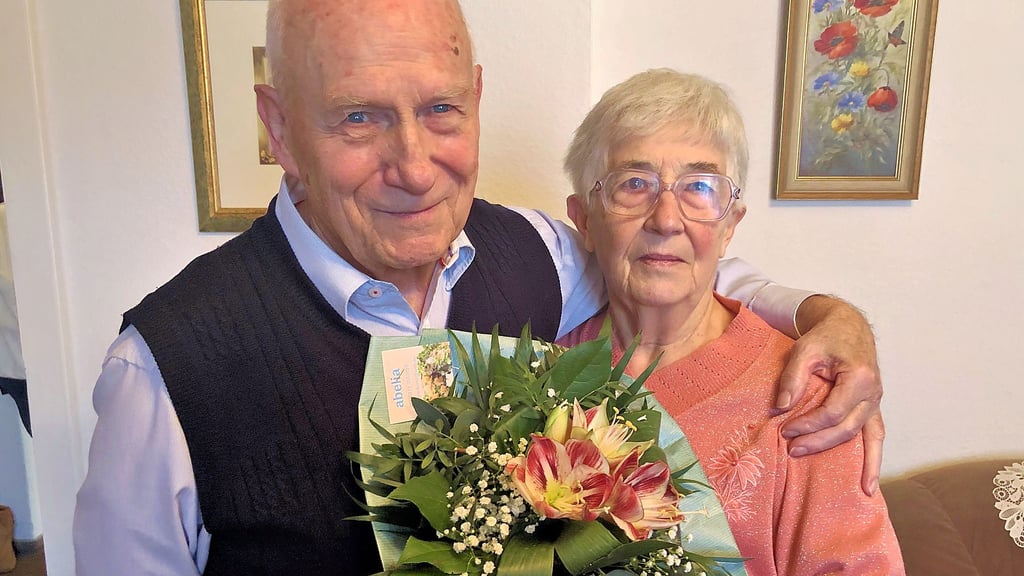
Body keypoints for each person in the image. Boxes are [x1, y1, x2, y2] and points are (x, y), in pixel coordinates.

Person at [73, 1, 885, 574]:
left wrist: (830, 318)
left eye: (440, 109)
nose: (414, 165)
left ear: (477, 101)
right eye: (358, 117)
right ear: (279, 130)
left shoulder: (531, 255)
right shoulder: (164, 374)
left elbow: (661, 257)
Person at [558, 68, 903, 574]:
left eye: (699, 187)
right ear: (585, 219)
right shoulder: (536, 366)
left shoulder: (808, 398)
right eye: (634, 184)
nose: (667, 219)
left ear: (729, 226)